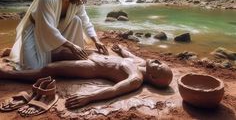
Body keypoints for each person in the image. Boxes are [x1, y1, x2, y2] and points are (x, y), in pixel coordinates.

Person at [0, 44, 173, 113]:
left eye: (158, 66)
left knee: (49, 69)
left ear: (152, 76)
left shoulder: (136, 78)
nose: (157, 61)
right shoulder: (141, 62)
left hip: (91, 68)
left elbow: (114, 90)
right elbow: (129, 54)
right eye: (160, 62)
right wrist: (120, 49)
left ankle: (7, 74)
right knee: (58, 52)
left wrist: (89, 97)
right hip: (92, 56)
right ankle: (17, 54)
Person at [9, 0, 108, 70]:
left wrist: (97, 41)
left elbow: (86, 22)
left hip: (57, 29)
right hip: (35, 29)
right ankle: (58, 53)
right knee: (33, 69)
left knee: (76, 20)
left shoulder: (77, 1)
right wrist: (72, 46)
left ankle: (62, 53)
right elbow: (48, 28)